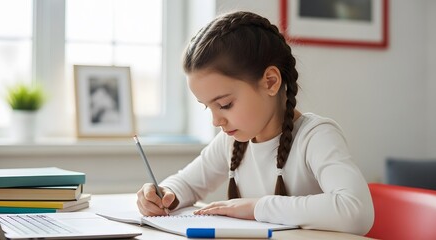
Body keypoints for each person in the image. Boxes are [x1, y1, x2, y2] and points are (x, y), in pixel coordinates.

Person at [136, 11, 374, 235]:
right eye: (206, 106)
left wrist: (256, 208)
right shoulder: (231, 142)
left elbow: (356, 211)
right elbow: (187, 183)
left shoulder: (315, 137)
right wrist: (163, 195)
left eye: (225, 104)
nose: (216, 120)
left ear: (270, 81)